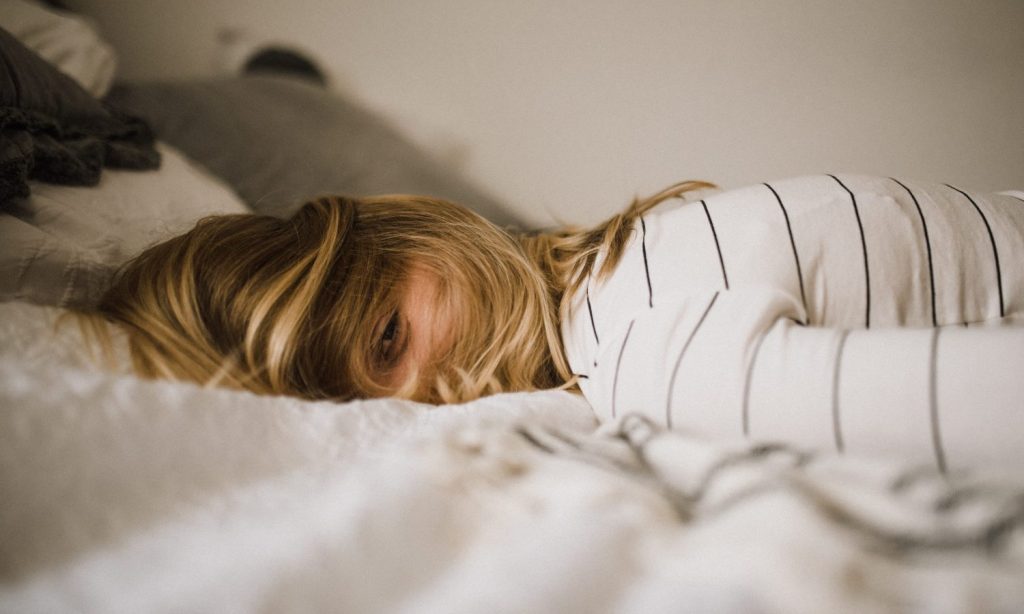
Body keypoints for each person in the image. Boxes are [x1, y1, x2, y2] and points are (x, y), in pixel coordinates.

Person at [82, 175, 1024, 468]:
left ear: (420, 229)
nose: (419, 403)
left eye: (385, 340)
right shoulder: (626, 266)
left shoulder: (648, 352)